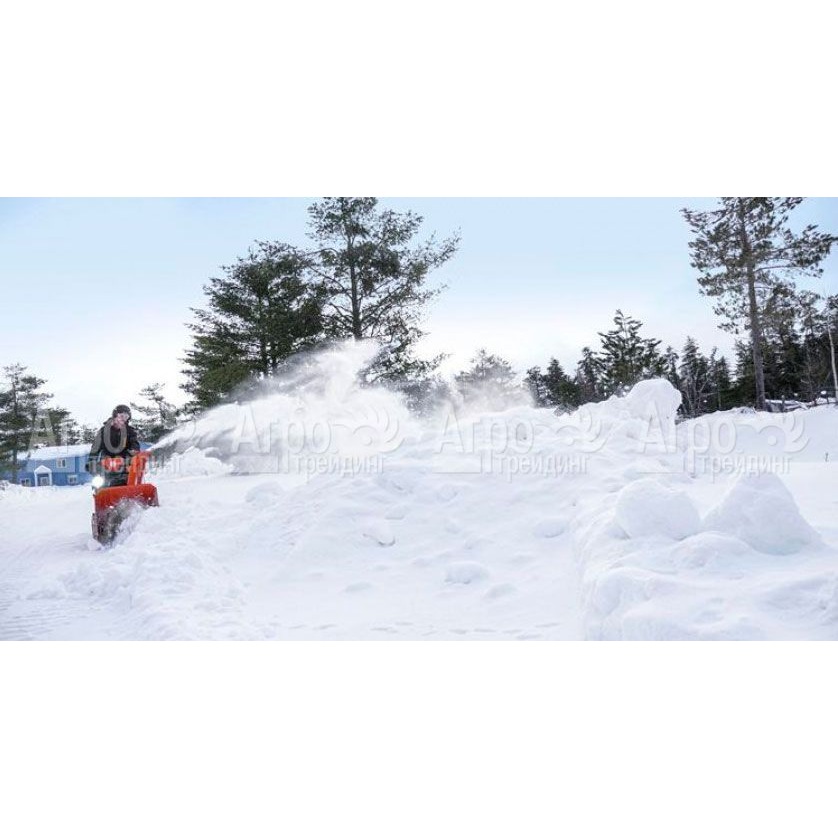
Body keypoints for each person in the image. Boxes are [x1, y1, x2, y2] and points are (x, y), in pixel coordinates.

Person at [86, 404, 141, 487]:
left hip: (124, 462)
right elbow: (95, 448)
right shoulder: (104, 430)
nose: (123, 419)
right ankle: (102, 489)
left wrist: (133, 451)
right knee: (99, 481)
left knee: (132, 473)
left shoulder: (130, 431)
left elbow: (134, 444)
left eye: (126, 417)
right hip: (106, 462)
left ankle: (129, 487)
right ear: (115, 415)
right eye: (121, 416)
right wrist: (91, 461)